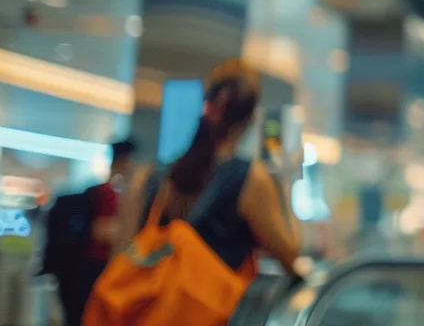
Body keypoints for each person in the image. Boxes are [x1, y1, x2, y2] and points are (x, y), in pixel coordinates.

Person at [138, 60, 303, 280]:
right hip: (210, 309)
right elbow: (291, 255)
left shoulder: (160, 174)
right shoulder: (248, 178)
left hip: (157, 307)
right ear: (252, 118)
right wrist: (283, 183)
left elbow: (128, 247)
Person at [47, 138, 135, 326]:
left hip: (77, 271)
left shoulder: (96, 192)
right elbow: (102, 232)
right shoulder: (109, 194)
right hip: (92, 270)